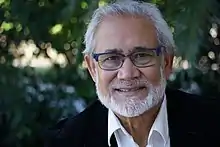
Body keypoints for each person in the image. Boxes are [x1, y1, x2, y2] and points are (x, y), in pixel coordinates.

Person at [44, 1, 220, 147]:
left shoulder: (213, 123)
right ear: (92, 68)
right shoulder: (64, 141)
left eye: (142, 55)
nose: (127, 74)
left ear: (166, 62)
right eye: (111, 58)